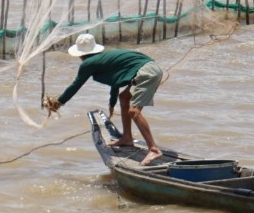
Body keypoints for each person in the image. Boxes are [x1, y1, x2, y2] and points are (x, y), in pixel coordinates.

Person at [43, 33, 165, 165]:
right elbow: (116, 82)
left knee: (134, 111)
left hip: (147, 72)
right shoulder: (103, 58)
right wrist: (112, 104)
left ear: (79, 54)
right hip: (149, 68)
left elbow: (75, 85)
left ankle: (153, 149)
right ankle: (127, 138)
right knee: (124, 97)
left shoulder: (88, 63)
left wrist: (59, 102)